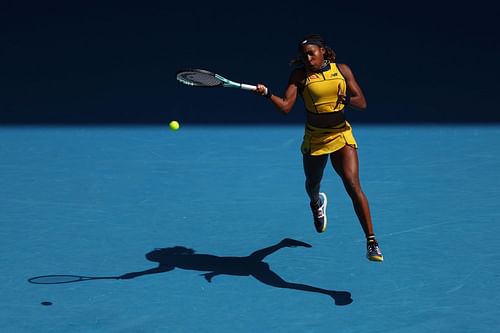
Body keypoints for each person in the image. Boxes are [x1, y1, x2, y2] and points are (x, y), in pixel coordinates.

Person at [255, 34, 383, 262]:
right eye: (303, 55)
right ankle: (316, 202)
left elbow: (361, 102)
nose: (307, 58)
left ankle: (372, 242)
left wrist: (345, 102)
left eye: (311, 53)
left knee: (353, 184)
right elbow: (286, 107)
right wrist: (267, 94)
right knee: (312, 184)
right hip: (315, 138)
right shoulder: (300, 75)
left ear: (323, 51)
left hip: (341, 135)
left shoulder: (342, 70)